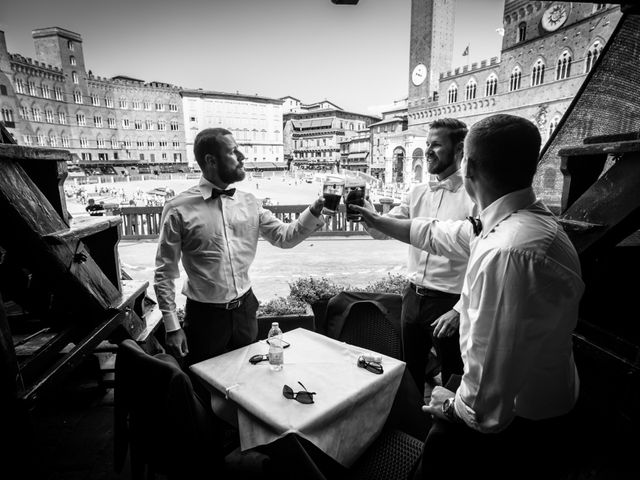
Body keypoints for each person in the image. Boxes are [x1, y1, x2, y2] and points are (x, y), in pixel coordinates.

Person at [351, 114, 583, 479]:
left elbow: (487, 379)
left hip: (516, 422)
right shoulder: (522, 222)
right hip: (541, 398)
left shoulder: (508, 252)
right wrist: (376, 220)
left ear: (468, 164)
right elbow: (438, 234)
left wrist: (451, 405)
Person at [154, 128, 325, 367]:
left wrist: (314, 212)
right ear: (211, 160)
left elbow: (284, 237)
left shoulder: (249, 202)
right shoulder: (177, 208)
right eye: (234, 152)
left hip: (245, 310)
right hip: (205, 317)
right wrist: (172, 326)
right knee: (206, 382)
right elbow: (164, 273)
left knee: (247, 376)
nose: (243, 156)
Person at [361, 118, 475, 392]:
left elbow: (482, 260)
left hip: (449, 302)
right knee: (409, 366)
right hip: (412, 296)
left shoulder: (474, 197)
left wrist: (460, 310)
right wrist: (368, 214)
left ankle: (445, 429)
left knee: (453, 371)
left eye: (436, 145)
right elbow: (382, 231)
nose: (428, 151)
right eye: (427, 144)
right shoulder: (416, 192)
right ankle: (411, 423)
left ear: (460, 149)